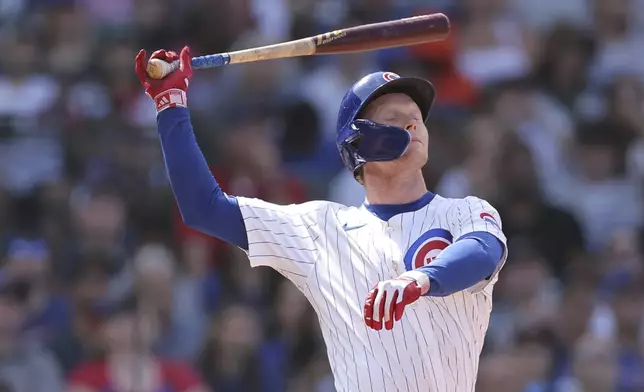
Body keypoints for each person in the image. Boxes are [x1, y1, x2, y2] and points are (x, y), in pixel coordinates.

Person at [134, 47, 507, 392]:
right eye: (394, 119)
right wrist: (171, 106)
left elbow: (483, 251)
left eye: (416, 119)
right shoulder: (321, 228)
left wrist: (422, 278)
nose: (412, 126)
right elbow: (204, 208)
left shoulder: (464, 211)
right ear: (358, 142)